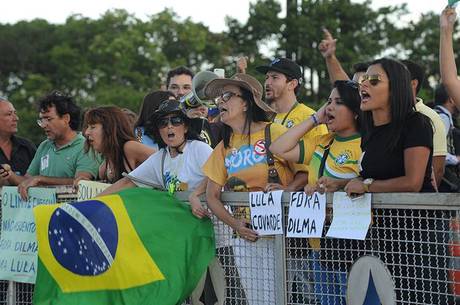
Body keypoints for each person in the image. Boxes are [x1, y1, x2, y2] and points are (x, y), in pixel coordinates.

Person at [344, 58, 450, 304]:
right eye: (362, 79)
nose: (363, 85)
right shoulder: (369, 131)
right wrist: (342, 183)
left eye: (373, 80)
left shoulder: (416, 124)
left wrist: (366, 186)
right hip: (387, 233)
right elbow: (374, 173)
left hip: (420, 235)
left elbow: (412, 182)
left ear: (397, 87)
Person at [97, 99, 220, 305]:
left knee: (217, 296)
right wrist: (92, 203)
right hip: (183, 241)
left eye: (175, 120)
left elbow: (218, 172)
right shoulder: (161, 158)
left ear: (186, 125)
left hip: (215, 239)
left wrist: (195, 194)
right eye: (163, 123)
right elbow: (128, 182)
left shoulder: (198, 148)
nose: (169, 126)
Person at [203, 73, 306, 305]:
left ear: (246, 103)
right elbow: (211, 196)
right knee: (256, 301)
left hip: (279, 235)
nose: (221, 102)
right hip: (244, 236)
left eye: (228, 96)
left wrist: (288, 190)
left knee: (278, 299)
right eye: (220, 97)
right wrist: (236, 225)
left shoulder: (275, 132)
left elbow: (305, 171)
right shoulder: (224, 146)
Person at [270, 80, 362, 305]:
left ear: (356, 111)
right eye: (328, 102)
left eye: (338, 102)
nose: (329, 107)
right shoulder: (322, 142)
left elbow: (369, 182)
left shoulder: (365, 144)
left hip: (351, 248)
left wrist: (338, 184)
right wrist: (314, 119)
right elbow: (278, 148)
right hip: (319, 247)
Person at [5, 91, 99, 199]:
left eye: (48, 119)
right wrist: (10, 175)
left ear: (66, 119)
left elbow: (82, 183)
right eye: (41, 120)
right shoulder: (44, 146)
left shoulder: (85, 145)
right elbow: (28, 181)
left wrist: (41, 179)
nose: (44, 125)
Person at [256, 58, 326, 191]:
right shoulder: (265, 119)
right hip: (267, 201)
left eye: (275, 78)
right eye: (267, 78)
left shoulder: (311, 118)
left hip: (299, 202)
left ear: (292, 84)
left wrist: (286, 192)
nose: (267, 83)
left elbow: (318, 164)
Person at [401, 59, 447, 188]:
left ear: (413, 84)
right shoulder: (381, 115)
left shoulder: (430, 117)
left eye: (396, 78)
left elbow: (437, 169)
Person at [83, 106, 155, 183]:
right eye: (87, 127)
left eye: (93, 127)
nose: (86, 132)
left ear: (110, 128)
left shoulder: (130, 146)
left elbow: (164, 162)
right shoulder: (104, 168)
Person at [0, 97, 36, 186]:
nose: (16, 118)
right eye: (9, 114)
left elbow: (40, 182)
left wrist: (11, 176)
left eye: (15, 113)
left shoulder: (27, 146)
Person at [434, 84, 460, 191]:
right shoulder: (443, 118)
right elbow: (435, 150)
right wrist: (455, 159)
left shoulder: (436, 115)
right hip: (441, 175)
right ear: (451, 99)